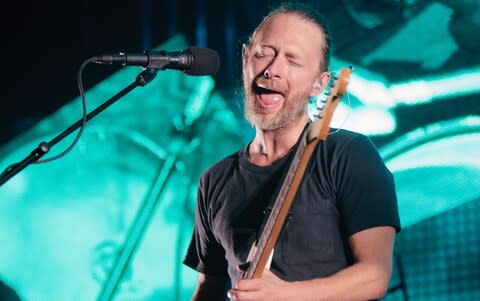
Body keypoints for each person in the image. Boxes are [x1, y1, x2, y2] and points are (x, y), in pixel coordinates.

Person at [183, 2, 401, 301]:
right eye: (263, 54)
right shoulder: (215, 181)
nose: (272, 69)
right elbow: (209, 289)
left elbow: (374, 276)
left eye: (293, 60)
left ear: (319, 85)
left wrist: (287, 294)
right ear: (246, 59)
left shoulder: (350, 155)